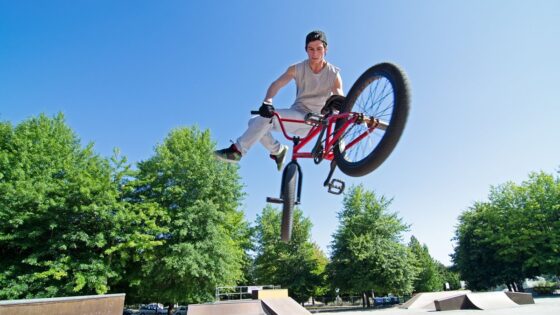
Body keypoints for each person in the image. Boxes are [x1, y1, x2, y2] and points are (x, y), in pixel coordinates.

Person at [215, 30, 344, 171]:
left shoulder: (333, 73)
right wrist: (267, 102)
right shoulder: (297, 68)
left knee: (258, 122)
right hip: (298, 115)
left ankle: (237, 150)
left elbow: (339, 97)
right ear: (306, 50)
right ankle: (278, 150)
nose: (315, 54)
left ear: (325, 49)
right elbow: (277, 84)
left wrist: (335, 120)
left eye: (319, 49)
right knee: (256, 121)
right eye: (311, 49)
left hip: (316, 121)